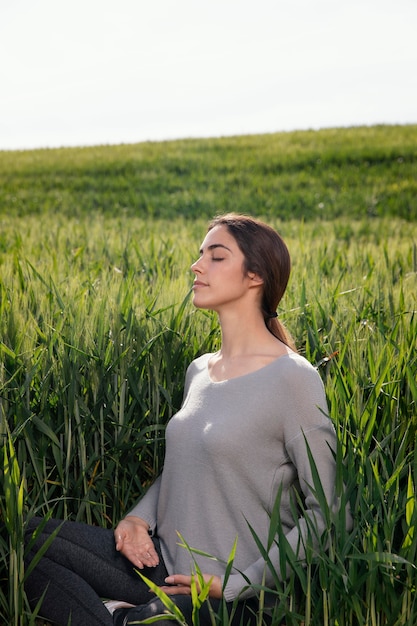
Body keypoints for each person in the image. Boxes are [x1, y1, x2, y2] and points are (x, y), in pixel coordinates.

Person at [25, 213, 345, 626]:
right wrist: (139, 518)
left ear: (255, 276)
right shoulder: (199, 370)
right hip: (158, 568)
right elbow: (186, 466)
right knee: (18, 540)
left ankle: (121, 617)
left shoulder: (293, 379)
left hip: (229, 599)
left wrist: (234, 582)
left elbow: (330, 512)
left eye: (216, 256)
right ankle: (128, 618)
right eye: (199, 255)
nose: (197, 266)